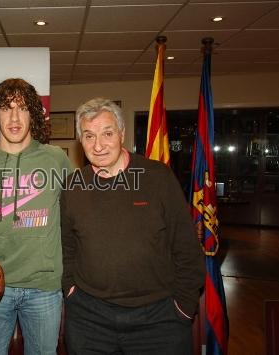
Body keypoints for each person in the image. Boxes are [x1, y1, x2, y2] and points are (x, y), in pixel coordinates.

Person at [61, 97, 205, 354]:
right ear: (81, 141)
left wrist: (183, 307)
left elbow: (186, 248)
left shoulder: (158, 177)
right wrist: (71, 291)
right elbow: (67, 248)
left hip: (160, 320)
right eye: (89, 136)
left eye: (107, 133)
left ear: (122, 134)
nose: (99, 145)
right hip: (89, 320)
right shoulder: (73, 185)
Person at [0, 78, 72, 354]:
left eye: (22, 108)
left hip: (44, 287)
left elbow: (74, 215)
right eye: (6, 108)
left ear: (33, 114)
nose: (14, 117)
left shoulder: (55, 159)